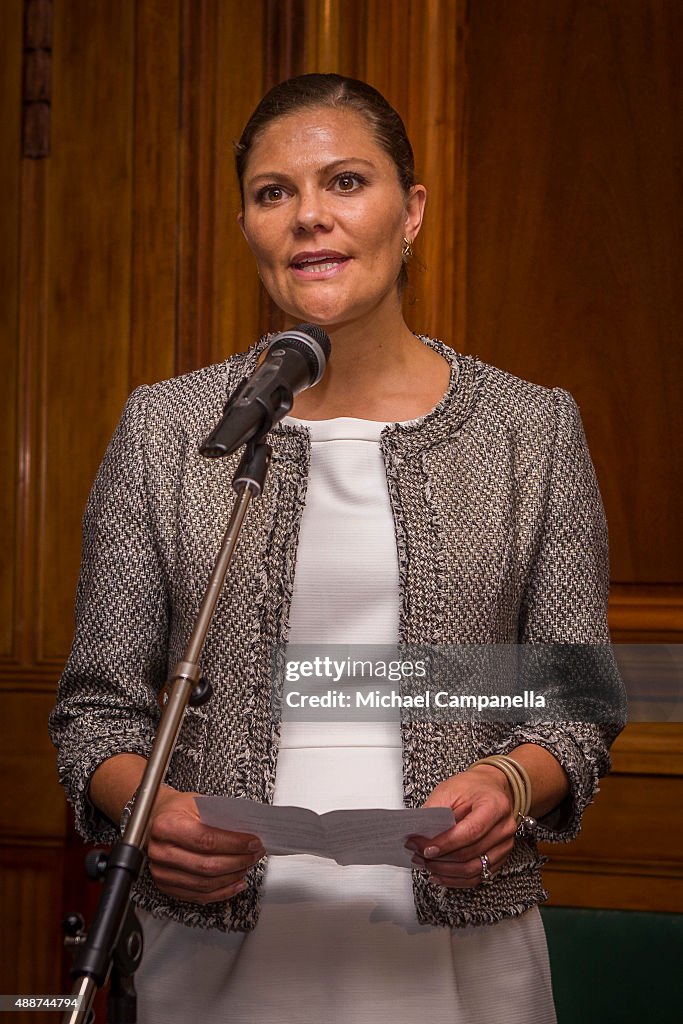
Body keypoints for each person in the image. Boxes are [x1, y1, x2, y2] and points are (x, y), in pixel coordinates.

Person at [50, 73, 624, 1023]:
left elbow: (579, 694)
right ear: (247, 225)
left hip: (457, 943)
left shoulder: (531, 429)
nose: (309, 216)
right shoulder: (169, 428)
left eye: (346, 182)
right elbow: (94, 712)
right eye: (275, 193)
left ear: (411, 211)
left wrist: (508, 780)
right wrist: (148, 810)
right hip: (217, 944)